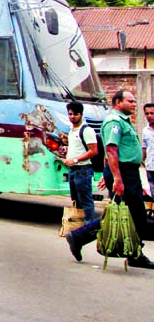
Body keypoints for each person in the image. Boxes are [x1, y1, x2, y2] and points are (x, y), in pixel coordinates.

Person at [66, 90, 154, 269]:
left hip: (127, 173)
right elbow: (111, 150)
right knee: (127, 214)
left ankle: (134, 253)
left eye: (134, 101)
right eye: (129, 101)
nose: (134, 104)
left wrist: (110, 176)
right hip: (123, 173)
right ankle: (79, 236)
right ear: (117, 102)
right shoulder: (114, 121)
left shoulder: (122, 121)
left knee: (134, 215)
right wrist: (116, 178)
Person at [62, 102, 98, 223]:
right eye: (70, 114)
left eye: (75, 114)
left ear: (81, 115)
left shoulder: (86, 130)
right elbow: (77, 148)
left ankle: (89, 227)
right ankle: (79, 224)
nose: (72, 117)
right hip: (72, 169)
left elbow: (93, 151)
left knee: (85, 200)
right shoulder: (72, 130)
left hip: (83, 169)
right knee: (75, 200)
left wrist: (76, 159)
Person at [142, 103, 154, 197]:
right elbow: (144, 148)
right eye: (147, 113)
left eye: (152, 113)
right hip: (150, 167)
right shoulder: (145, 130)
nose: (149, 116)